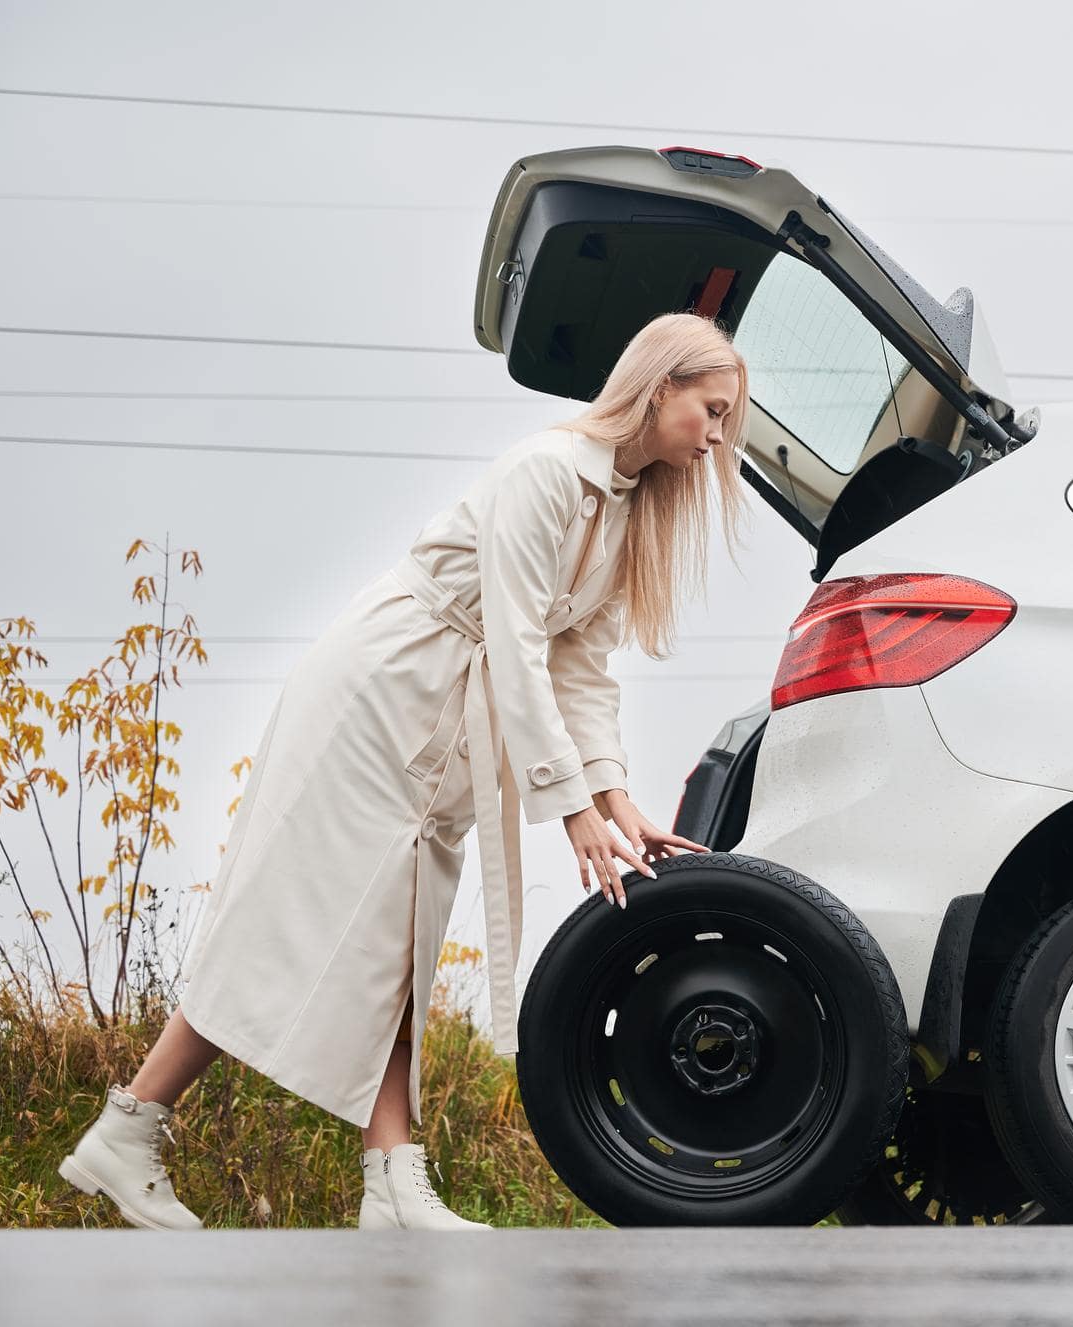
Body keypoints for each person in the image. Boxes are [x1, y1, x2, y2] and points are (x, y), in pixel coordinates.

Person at [57, 311, 752, 1229]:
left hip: (448, 730)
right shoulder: (547, 470)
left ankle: (390, 1181)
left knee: (403, 945)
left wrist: (618, 803)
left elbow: (581, 669)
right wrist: (572, 811)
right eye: (710, 412)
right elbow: (512, 639)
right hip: (382, 696)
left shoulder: (622, 513)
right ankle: (132, 1129)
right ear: (659, 387)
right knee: (287, 919)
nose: (714, 440)